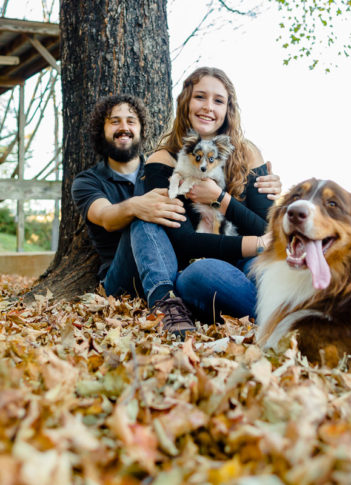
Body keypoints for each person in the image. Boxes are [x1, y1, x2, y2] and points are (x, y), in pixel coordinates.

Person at [139, 66, 282, 323]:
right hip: (201, 265)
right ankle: (277, 319)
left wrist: (220, 199)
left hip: (250, 262)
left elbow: (266, 228)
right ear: (185, 102)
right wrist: (260, 245)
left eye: (218, 101)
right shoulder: (163, 161)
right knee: (200, 274)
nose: (208, 107)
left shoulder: (247, 154)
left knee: (270, 271)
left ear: (228, 110)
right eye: (200, 97)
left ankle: (274, 316)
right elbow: (183, 241)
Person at [71, 94, 196, 335]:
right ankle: (165, 305)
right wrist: (136, 206)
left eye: (131, 121)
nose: (124, 128)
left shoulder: (161, 172)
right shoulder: (87, 181)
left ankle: (174, 297)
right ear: (102, 130)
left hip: (171, 266)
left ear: (140, 129)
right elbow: (106, 217)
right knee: (141, 216)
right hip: (121, 281)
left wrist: (258, 179)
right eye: (114, 121)